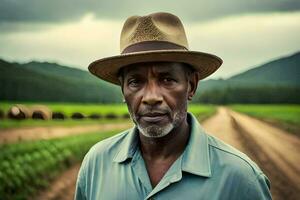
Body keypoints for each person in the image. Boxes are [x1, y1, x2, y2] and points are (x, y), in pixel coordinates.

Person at [75, 12, 272, 200]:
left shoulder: (241, 179)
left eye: (167, 79)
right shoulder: (96, 164)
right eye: (135, 81)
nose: (151, 97)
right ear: (123, 90)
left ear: (191, 86)